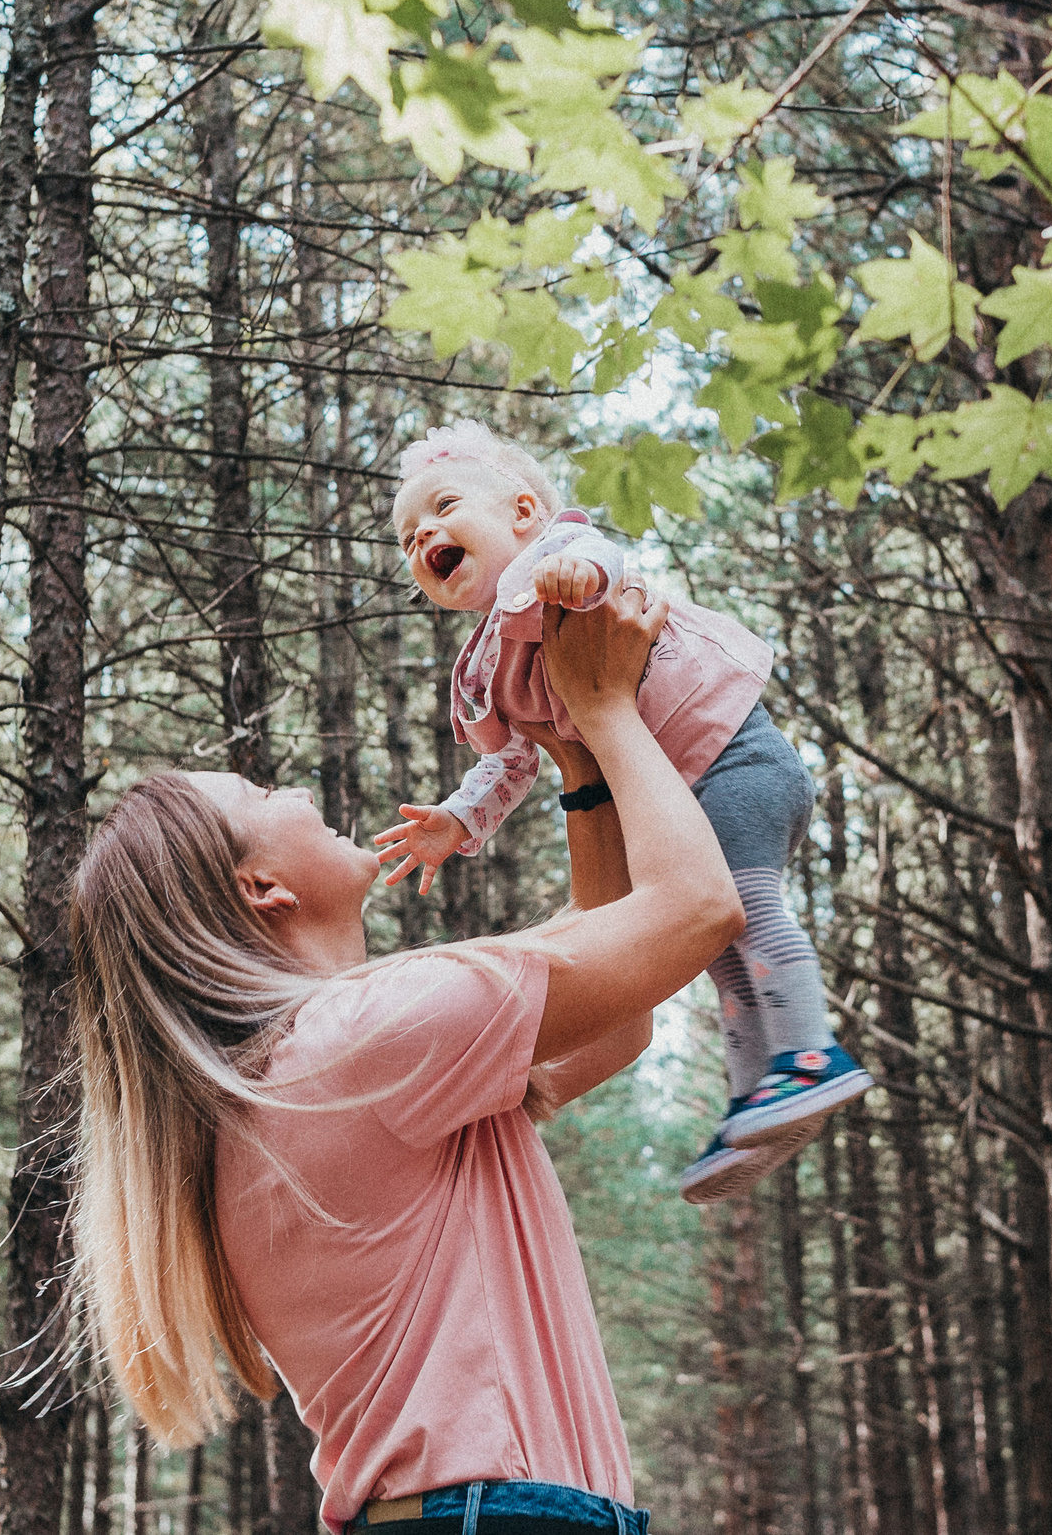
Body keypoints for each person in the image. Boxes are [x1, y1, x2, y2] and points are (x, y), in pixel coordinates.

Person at [70, 589, 741, 1533]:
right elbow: (698, 911)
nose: (296, 792)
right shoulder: (362, 1039)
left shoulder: (298, 1082)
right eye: (264, 795)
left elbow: (617, 1017)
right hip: (501, 1515)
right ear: (260, 887)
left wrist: (578, 761)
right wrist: (606, 706)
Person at [372, 419, 868, 1201]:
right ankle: (758, 1095)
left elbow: (604, 567)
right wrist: (459, 819)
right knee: (711, 941)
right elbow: (511, 759)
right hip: (676, 799)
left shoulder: (560, 557)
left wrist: (571, 573)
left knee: (740, 906)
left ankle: (809, 1053)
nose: (422, 534)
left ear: (525, 513)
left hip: (734, 754)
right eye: (407, 539)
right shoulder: (491, 666)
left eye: (442, 506)